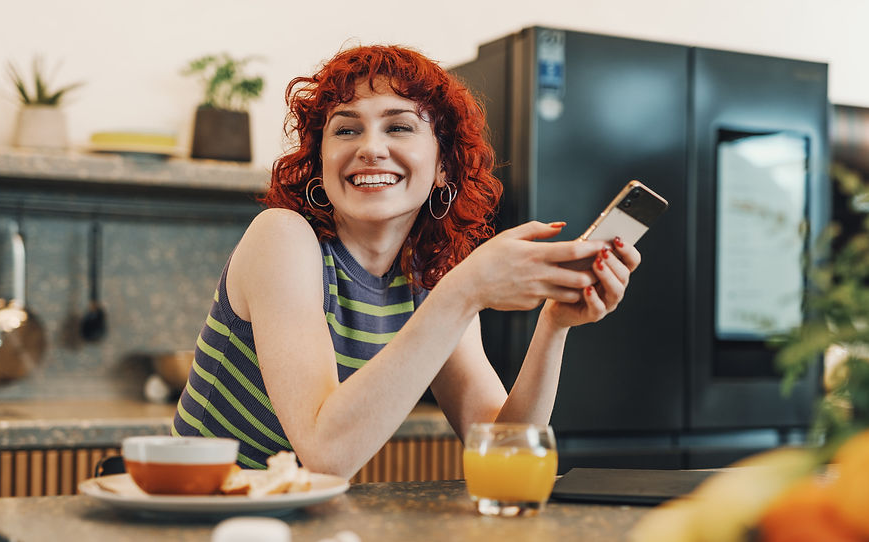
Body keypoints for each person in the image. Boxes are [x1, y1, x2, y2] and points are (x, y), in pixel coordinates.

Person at [171, 45, 641, 478]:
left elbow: (505, 453)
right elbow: (326, 454)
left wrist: (553, 326)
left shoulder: (428, 282)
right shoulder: (282, 238)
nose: (370, 147)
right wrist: (466, 290)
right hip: (193, 515)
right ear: (319, 163)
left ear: (443, 166)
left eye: (398, 126)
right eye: (346, 129)